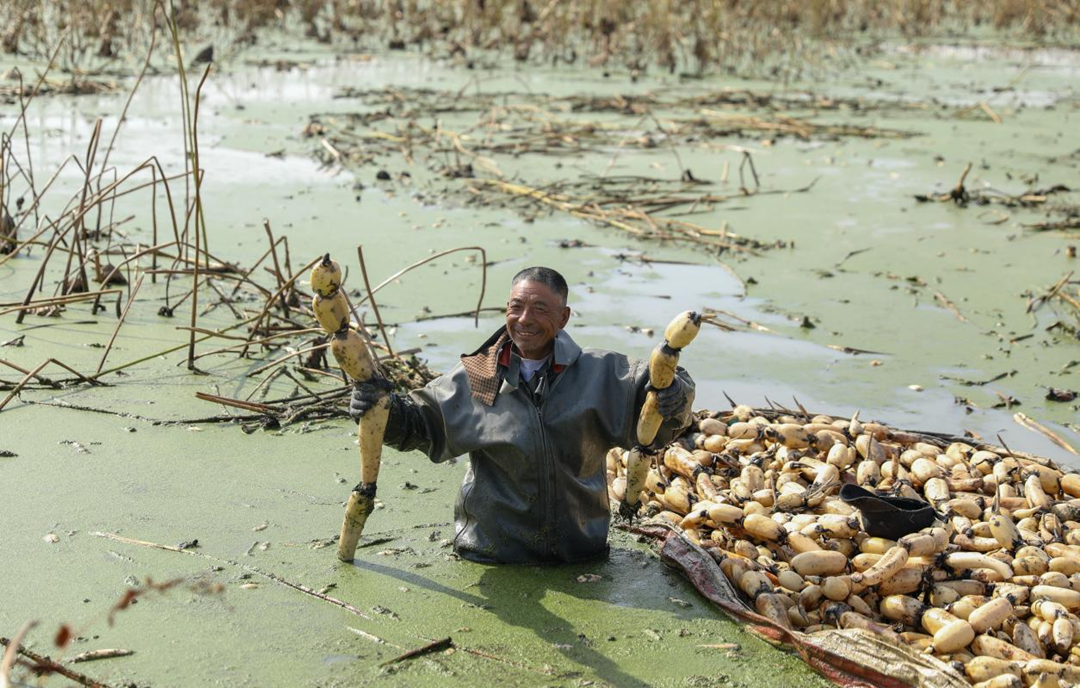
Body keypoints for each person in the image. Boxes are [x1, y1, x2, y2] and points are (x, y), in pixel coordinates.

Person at [349, 266, 694, 564]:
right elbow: (419, 425)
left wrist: (675, 395)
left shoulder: (601, 374)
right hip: (490, 554)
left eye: (540, 308)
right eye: (516, 307)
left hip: (580, 551)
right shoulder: (478, 377)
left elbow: (657, 409)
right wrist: (379, 409)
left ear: (564, 317)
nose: (525, 319)